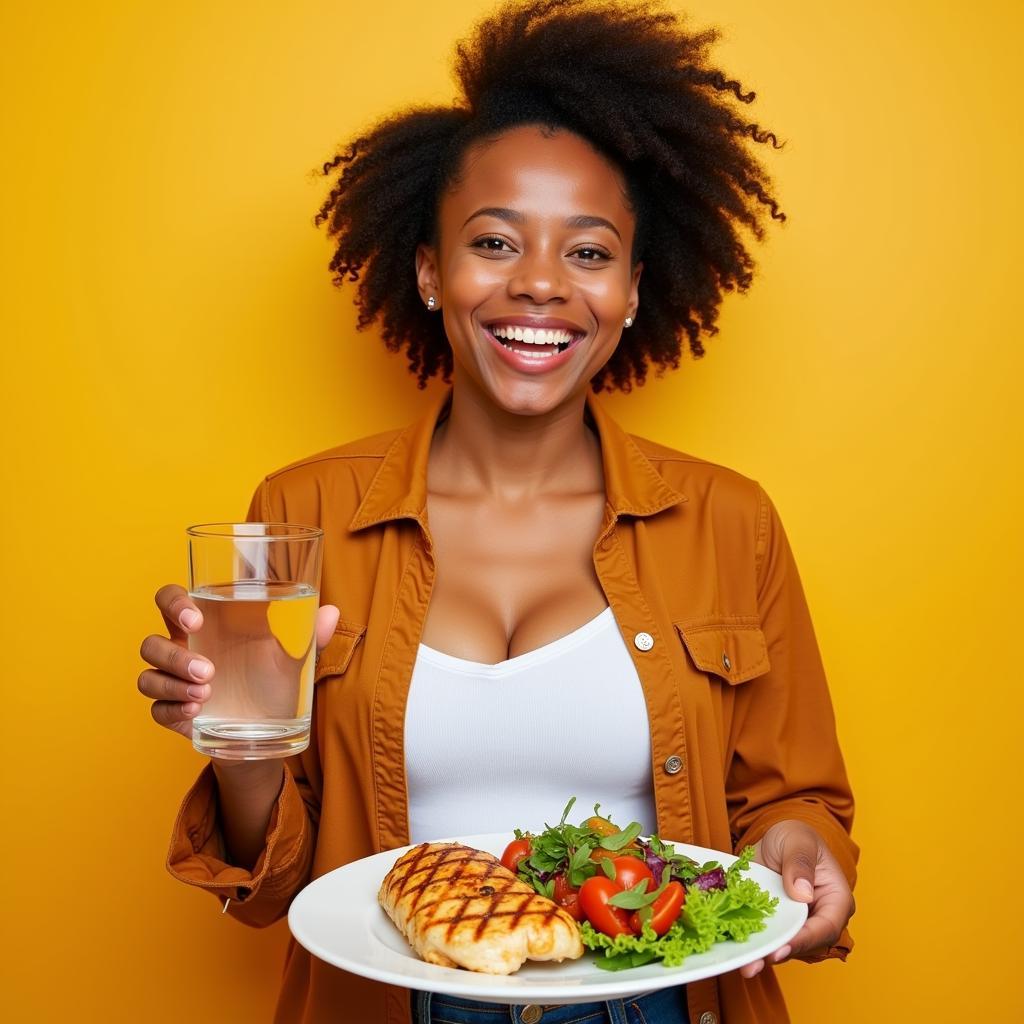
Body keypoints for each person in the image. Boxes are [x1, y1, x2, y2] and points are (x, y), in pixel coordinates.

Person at [138, 2, 857, 1022]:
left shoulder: (728, 519)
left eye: (589, 253)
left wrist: (798, 849)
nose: (538, 285)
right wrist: (238, 748)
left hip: (651, 1002)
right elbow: (272, 891)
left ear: (635, 288)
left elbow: (795, 799)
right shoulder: (299, 512)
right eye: (492, 241)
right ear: (429, 271)